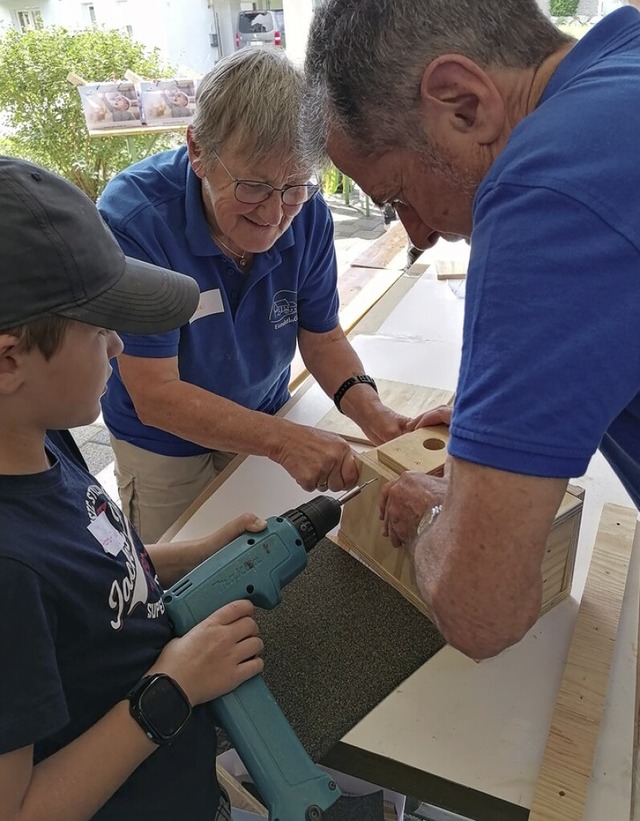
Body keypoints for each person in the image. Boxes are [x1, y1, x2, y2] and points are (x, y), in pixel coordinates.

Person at [305, 2, 640, 659]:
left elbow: (481, 609)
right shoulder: (622, 66)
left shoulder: (546, 191)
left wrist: (435, 511)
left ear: (462, 103)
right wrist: (511, 409)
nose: (420, 234)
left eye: (398, 195)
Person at [0, 155, 266, 820]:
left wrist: (193, 553)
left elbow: (88, 580)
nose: (119, 344)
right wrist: (171, 688)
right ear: (9, 360)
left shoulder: (40, 435)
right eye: (97, 329)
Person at [98, 46, 409, 543]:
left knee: (263, 553)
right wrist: (286, 443)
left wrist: (378, 417)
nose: (273, 213)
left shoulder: (307, 213)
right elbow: (155, 395)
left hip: (264, 413)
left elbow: (323, 338)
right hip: (161, 445)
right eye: (252, 187)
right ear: (198, 150)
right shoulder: (135, 224)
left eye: (293, 187)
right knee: (178, 580)